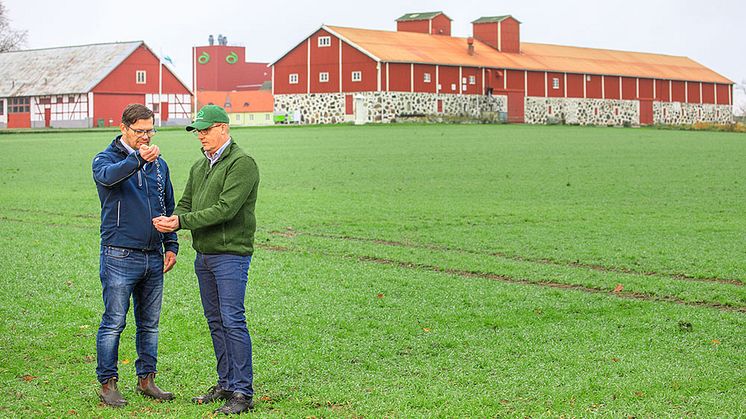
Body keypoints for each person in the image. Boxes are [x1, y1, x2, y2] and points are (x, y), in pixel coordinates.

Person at [153, 104, 260, 415]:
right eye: (197, 131)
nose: (201, 135)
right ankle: (226, 383)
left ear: (223, 128)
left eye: (206, 129)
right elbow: (186, 202)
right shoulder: (201, 167)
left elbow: (226, 209)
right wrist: (168, 219)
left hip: (230, 255)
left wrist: (181, 223)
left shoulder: (242, 164)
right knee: (216, 322)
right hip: (206, 255)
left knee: (233, 320)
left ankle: (242, 392)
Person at [92, 103, 178, 407]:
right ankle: (108, 384)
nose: (145, 136)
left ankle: (147, 380)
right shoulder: (105, 159)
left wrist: (171, 244)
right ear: (123, 128)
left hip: (153, 256)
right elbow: (109, 178)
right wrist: (137, 159)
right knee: (114, 322)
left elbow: (167, 205)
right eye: (139, 131)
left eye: (149, 130)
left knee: (150, 324)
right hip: (119, 255)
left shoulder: (159, 163)